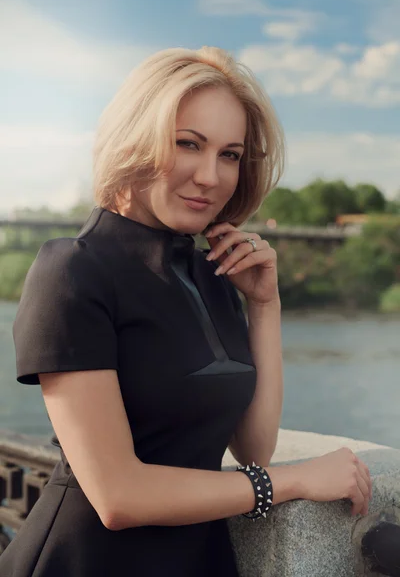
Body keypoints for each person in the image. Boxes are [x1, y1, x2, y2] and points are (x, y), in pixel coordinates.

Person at [0, 46, 372, 577]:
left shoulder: (211, 274)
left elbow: (252, 447)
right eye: (188, 144)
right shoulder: (72, 270)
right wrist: (293, 481)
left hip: (198, 560)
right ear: (136, 139)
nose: (210, 177)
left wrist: (264, 306)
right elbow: (117, 494)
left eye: (229, 154)